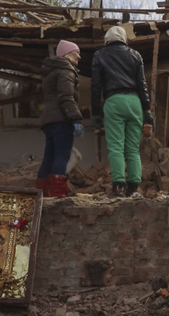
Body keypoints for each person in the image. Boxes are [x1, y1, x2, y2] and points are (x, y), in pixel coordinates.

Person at [91, 26, 154, 198]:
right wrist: (147, 110)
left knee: (116, 147)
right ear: (124, 38)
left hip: (114, 101)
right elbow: (142, 85)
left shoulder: (100, 55)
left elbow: (96, 86)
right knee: (133, 149)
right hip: (134, 103)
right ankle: (133, 188)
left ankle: (118, 187)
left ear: (107, 39)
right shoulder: (135, 55)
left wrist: (95, 112)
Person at [37, 39, 84, 198]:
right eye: (76, 53)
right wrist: (76, 119)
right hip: (62, 119)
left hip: (49, 121)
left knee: (49, 157)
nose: (79, 57)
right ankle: (57, 194)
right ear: (67, 54)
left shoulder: (51, 72)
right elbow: (66, 97)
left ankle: (42, 194)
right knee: (61, 156)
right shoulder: (66, 71)